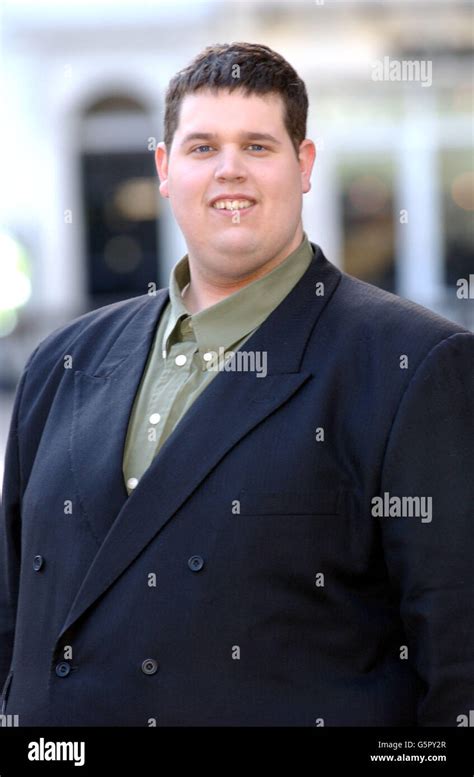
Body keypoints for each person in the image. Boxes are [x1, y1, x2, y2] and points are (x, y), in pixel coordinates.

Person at [0, 42, 472, 727]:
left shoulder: (414, 366)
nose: (229, 172)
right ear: (164, 169)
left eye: (257, 145)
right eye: (201, 148)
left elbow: (458, 663)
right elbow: (15, 612)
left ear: (303, 165)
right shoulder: (61, 361)